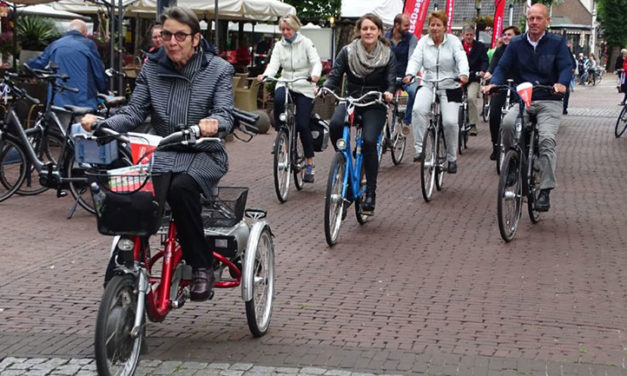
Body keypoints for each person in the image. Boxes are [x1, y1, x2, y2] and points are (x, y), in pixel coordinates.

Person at [81, 6, 234, 301]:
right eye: (167, 35)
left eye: (180, 35)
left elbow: (225, 111)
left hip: (203, 152)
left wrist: (215, 123)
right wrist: (102, 124)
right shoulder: (152, 67)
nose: (173, 41)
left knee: (180, 190)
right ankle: (129, 257)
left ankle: (201, 265)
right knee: (134, 192)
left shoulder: (217, 69)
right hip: (161, 150)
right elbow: (135, 111)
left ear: (196, 39)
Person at [484, 3, 572, 212]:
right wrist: (494, 82)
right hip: (524, 99)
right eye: (531, 18)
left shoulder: (556, 43)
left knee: (547, 140)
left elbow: (566, 67)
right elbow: (503, 67)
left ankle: (545, 190)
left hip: (549, 99)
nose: (534, 22)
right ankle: (513, 162)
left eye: (538, 18)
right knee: (506, 124)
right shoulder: (516, 43)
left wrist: (562, 84)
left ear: (546, 22)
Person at [321, 13, 396, 213]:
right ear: (359, 31)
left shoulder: (387, 54)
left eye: (372, 28)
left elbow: (391, 79)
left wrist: (389, 92)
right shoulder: (347, 52)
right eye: (365, 28)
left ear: (379, 31)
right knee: (335, 124)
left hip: (374, 102)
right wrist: (326, 87)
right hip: (352, 100)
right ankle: (344, 158)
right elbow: (335, 74)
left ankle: (370, 192)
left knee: (370, 142)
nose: (368, 32)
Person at [257, 14, 321, 183]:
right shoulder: (279, 46)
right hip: (286, 82)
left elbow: (316, 62)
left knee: (302, 124)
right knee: (278, 99)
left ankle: (309, 162)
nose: (285, 32)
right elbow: (273, 65)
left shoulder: (306, 43)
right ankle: (281, 134)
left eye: (288, 29)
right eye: (282, 29)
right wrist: (266, 75)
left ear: (295, 28)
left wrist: (314, 75)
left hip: (303, 84)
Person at [404, 10, 469, 171]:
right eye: (432, 25)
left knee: (450, 122)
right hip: (428, 83)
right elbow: (415, 59)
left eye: (438, 25)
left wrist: (463, 74)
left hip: (450, 85)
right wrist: (410, 74)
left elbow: (461, 58)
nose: (434, 28)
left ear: (445, 27)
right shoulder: (423, 42)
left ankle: (451, 158)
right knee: (418, 110)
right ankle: (420, 149)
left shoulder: (453, 42)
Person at [27, 19, 107, 110]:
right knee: (84, 123)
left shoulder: (55, 44)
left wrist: (25, 65)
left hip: (58, 101)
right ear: (84, 32)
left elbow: (39, 63)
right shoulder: (88, 45)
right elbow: (98, 72)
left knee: (59, 123)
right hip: (83, 102)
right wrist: (104, 91)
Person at [484, 25, 521, 159]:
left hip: (517, 86)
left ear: (516, 36)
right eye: (504, 34)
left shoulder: (521, 50)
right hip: (501, 86)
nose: (506, 37)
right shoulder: (499, 51)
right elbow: (493, 65)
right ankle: (495, 145)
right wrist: (488, 73)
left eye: (509, 34)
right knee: (494, 113)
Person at [384, 13, 418, 134]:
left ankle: (407, 122)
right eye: (406, 25)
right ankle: (382, 124)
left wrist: (409, 74)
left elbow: (412, 57)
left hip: (405, 76)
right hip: (389, 77)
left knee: (413, 91)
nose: (408, 28)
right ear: (396, 25)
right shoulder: (385, 37)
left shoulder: (411, 38)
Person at [461, 25, 489, 136]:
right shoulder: (457, 46)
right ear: (463, 35)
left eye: (471, 35)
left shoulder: (480, 46)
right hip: (459, 78)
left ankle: (472, 125)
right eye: (467, 35)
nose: (469, 37)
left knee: (471, 98)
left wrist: (482, 71)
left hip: (473, 78)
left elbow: (485, 61)